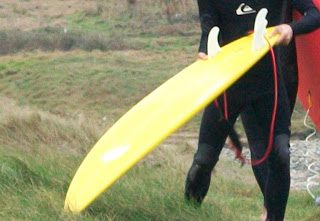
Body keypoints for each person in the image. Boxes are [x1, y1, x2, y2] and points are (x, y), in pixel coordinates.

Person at [185, 1, 320, 221]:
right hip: (228, 85)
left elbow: (314, 14)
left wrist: (290, 28)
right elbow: (208, 31)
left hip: (268, 85)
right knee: (204, 159)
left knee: (280, 153)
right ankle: (186, 213)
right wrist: (203, 52)